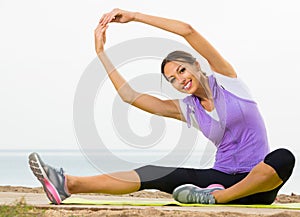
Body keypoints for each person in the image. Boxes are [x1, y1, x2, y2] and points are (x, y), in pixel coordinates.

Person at [28, 8, 295, 205]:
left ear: (197, 65)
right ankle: (68, 183)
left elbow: (187, 31)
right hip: (219, 177)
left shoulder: (229, 83)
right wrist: (101, 54)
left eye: (182, 70)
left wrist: (134, 17)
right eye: (173, 79)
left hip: (259, 184)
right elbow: (129, 96)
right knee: (158, 172)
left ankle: (217, 198)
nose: (181, 79)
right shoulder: (188, 109)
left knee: (283, 157)